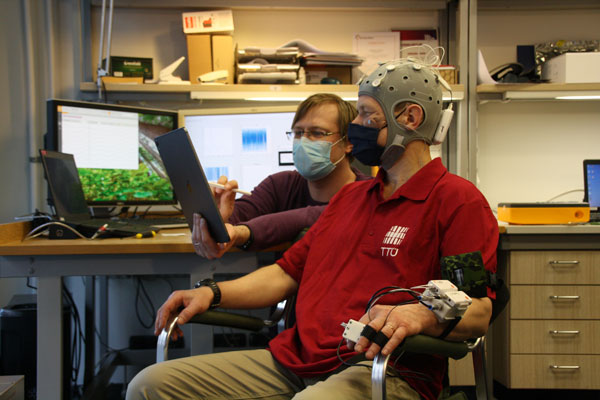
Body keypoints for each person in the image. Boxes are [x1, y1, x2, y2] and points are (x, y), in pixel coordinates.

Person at [127, 59, 499, 400]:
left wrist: (420, 314)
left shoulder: (457, 201)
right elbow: (286, 273)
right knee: (149, 386)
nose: (356, 127)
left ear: (410, 117)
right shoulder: (350, 198)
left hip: (382, 369)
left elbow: (478, 310)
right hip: (293, 362)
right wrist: (210, 293)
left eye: (367, 115)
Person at [193, 93, 371, 259]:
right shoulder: (282, 184)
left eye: (317, 133)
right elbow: (241, 215)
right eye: (298, 133)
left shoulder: (368, 194)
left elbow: (311, 216)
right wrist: (218, 215)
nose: (303, 142)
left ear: (349, 142)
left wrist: (242, 233)